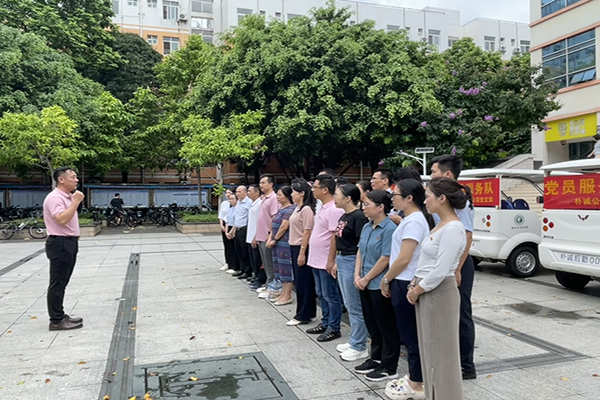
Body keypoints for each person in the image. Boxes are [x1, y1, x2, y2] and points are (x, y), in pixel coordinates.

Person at [407, 177, 469, 400]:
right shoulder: (440, 225)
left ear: (442, 198)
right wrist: (415, 284)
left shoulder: (453, 228)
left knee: (441, 355)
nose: (425, 201)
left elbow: (441, 269)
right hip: (427, 290)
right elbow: (426, 263)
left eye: (428, 196)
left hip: (438, 292)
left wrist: (417, 290)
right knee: (430, 351)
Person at [381, 179, 434, 400]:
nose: (392, 198)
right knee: (409, 333)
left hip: (404, 281)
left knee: (411, 335)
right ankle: (415, 377)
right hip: (403, 280)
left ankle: (416, 383)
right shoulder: (410, 219)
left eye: (396, 195)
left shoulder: (414, 222)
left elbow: (404, 258)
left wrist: (386, 279)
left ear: (409, 198)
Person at [430, 155, 477, 380]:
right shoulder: (445, 198)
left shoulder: (461, 201)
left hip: (459, 263)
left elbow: (467, 237)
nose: (431, 176)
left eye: (434, 172)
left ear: (447, 174)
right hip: (447, 261)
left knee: (461, 313)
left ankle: (466, 365)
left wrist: (457, 268)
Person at [354, 190, 399, 382]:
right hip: (364, 282)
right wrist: (357, 275)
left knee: (385, 325)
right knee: (372, 323)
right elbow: (360, 251)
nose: (363, 208)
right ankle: (376, 358)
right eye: (363, 204)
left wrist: (367, 278)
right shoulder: (367, 226)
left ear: (381, 207)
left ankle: (389, 366)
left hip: (379, 284)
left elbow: (385, 258)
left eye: (367, 204)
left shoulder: (389, 229)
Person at [328, 184, 369, 361]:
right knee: (349, 303)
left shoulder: (358, 217)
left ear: (348, 198)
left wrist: (358, 270)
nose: (334, 198)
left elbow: (362, 245)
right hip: (343, 259)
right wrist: (336, 261)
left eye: (337, 195)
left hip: (352, 261)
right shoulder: (344, 215)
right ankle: (354, 339)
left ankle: (359, 345)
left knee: (355, 306)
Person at [43, 167, 84, 331]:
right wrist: (76, 202)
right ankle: (56, 320)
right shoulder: (55, 198)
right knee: (58, 283)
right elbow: (61, 219)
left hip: (68, 242)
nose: (76, 180)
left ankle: (59, 314)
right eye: (73, 177)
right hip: (60, 243)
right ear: (61, 179)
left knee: (62, 281)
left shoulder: (66, 197)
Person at [306, 174, 344, 342]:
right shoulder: (323, 207)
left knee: (330, 295)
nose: (313, 190)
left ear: (325, 190)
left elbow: (335, 236)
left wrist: (331, 260)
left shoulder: (335, 209)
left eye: (315, 187)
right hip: (316, 258)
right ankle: (326, 321)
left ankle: (334, 327)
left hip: (325, 260)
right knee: (321, 293)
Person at [287, 179, 317, 326]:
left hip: (302, 247)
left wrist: (302, 252)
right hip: (295, 246)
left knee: (303, 283)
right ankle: (308, 312)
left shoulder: (306, 210)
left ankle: (302, 314)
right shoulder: (298, 208)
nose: (292, 194)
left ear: (302, 193)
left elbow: (307, 231)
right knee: (302, 282)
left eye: (294, 192)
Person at [267, 186, 296, 305]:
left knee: (286, 269)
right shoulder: (281, 209)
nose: (277, 197)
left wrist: (275, 239)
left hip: (284, 244)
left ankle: (287, 295)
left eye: (280, 195)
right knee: (279, 269)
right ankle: (283, 293)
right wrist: (270, 237)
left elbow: (284, 226)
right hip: (277, 244)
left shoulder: (290, 209)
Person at [255, 175, 279, 290]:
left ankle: (272, 286)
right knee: (265, 263)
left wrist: (270, 234)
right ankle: (268, 284)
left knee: (270, 264)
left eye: (263, 183)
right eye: (260, 183)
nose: (261, 185)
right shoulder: (264, 198)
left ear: (271, 184)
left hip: (267, 236)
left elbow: (274, 218)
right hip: (261, 236)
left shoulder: (274, 198)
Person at [231, 186, 252, 279]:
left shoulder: (249, 202)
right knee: (238, 250)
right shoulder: (238, 202)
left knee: (245, 251)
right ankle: (242, 268)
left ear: (245, 192)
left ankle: (248, 271)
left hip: (244, 229)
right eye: (236, 192)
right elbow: (237, 217)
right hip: (238, 229)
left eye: (239, 192)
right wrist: (233, 229)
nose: (237, 194)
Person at [246, 184, 264, 290]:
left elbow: (259, 222)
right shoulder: (253, 204)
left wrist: (255, 237)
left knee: (258, 260)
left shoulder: (259, 204)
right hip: (250, 236)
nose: (248, 193)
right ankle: (256, 276)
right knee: (253, 259)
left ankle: (260, 279)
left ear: (257, 192)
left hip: (255, 237)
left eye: (250, 191)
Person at [219, 188, 233, 272]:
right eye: (226, 193)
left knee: (232, 246)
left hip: (231, 225)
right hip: (224, 224)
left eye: (229, 193)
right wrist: (221, 225)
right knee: (226, 245)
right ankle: (227, 262)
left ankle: (233, 264)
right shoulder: (224, 203)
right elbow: (221, 215)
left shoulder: (235, 203)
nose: (227, 194)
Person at [224, 194, 239, 274]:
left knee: (235, 249)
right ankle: (231, 265)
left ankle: (236, 267)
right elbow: (227, 221)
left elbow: (236, 221)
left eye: (232, 199)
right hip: (229, 228)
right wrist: (226, 232)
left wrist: (231, 231)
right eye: (230, 199)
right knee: (229, 248)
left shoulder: (238, 209)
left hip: (234, 229)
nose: (230, 201)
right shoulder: (230, 209)